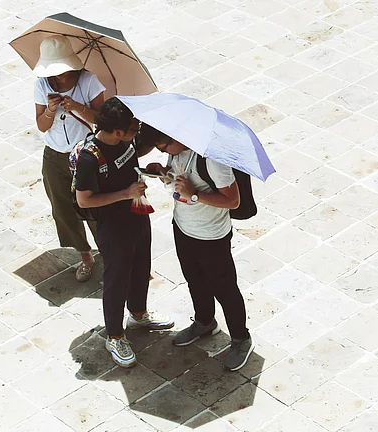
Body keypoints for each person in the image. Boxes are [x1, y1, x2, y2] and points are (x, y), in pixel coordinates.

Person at [140, 124, 254, 372]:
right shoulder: (176, 150)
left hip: (211, 236)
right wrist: (163, 172)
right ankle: (204, 322)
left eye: (163, 147)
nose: (163, 152)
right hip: (183, 227)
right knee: (194, 279)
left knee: (224, 289)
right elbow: (179, 179)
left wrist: (194, 196)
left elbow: (232, 200)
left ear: (175, 135)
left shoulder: (212, 160)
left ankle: (241, 339)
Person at [74, 98, 174, 368]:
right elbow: (84, 200)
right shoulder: (89, 158)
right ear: (117, 131)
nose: (137, 132)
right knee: (117, 278)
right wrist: (125, 194)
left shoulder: (126, 141)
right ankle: (115, 335)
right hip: (113, 225)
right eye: (133, 128)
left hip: (137, 215)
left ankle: (139, 314)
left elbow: (128, 166)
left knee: (142, 267)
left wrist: (147, 171)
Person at [34, 35, 104, 282]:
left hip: (85, 155)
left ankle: (108, 249)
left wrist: (77, 107)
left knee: (94, 205)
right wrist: (51, 110)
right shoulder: (42, 85)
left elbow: (100, 120)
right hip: (55, 155)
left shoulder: (89, 81)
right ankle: (85, 255)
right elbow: (42, 126)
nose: (55, 78)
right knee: (63, 208)